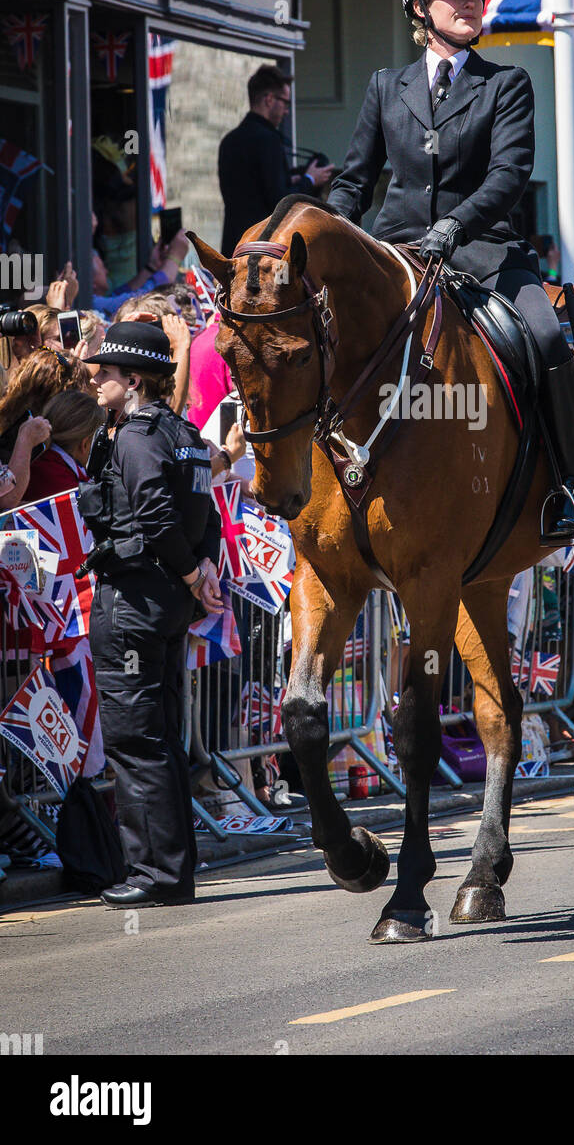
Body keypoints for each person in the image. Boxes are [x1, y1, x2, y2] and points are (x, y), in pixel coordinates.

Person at [326, 0, 574, 541]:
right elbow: (355, 179)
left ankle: (569, 492)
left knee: (549, 338)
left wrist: (455, 225)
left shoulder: (506, 84)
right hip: (396, 248)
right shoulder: (385, 87)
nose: (471, 2)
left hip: (483, 250)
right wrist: (332, 237)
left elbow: (508, 175)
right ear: (420, 7)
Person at [81, 321, 223, 907]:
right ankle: (174, 873)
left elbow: (158, 516)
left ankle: (154, 875)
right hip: (165, 603)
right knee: (160, 736)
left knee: (137, 741)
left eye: (105, 374)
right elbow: (206, 513)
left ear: (134, 379)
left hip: (134, 601)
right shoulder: (183, 433)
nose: (96, 383)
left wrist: (196, 573)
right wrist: (202, 570)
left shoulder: (136, 437)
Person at [218, 65, 335, 258]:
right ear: (269, 99)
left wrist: (293, 179)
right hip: (261, 250)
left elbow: (250, 191)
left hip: (234, 245)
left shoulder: (230, 140)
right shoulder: (267, 139)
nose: (287, 111)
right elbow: (279, 202)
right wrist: (310, 179)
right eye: (285, 103)